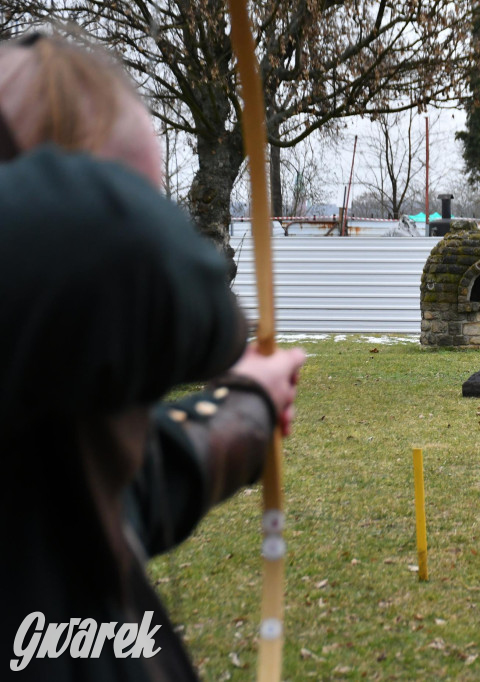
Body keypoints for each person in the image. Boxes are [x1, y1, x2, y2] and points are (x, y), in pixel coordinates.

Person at [0, 33, 305, 680]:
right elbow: (127, 248)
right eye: (136, 198)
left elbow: (128, 487)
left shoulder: (43, 459)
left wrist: (250, 404)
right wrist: (226, 330)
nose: (158, 226)